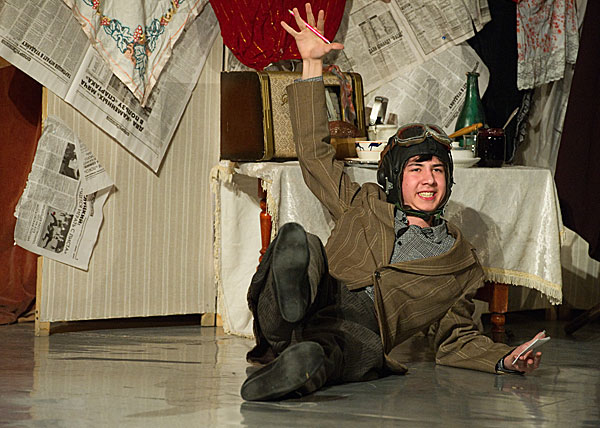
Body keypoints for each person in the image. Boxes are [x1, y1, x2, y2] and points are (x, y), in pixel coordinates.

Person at [240, 4, 544, 402]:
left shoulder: (459, 263)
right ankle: (289, 313)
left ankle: (301, 366)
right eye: (416, 169)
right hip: (321, 291)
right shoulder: (363, 204)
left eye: (437, 170)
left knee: (342, 350)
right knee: (301, 245)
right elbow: (315, 155)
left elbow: (457, 340)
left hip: (357, 329)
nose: (429, 179)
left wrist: (505, 359)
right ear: (394, 180)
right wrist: (312, 65)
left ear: (448, 181)